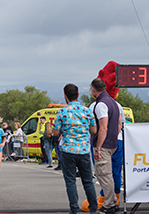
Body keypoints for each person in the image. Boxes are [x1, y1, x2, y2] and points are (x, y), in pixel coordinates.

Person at [53, 83, 98, 214]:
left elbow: (55, 133)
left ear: (65, 96)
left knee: (70, 182)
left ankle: (74, 209)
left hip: (68, 151)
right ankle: (94, 209)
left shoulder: (62, 112)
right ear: (78, 95)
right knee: (88, 182)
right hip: (83, 150)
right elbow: (94, 130)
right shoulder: (87, 111)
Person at [89, 78, 121, 214]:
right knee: (109, 174)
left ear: (93, 89)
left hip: (104, 145)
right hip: (113, 143)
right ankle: (113, 201)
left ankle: (109, 204)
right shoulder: (114, 102)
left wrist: (98, 147)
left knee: (104, 175)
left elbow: (103, 128)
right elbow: (119, 123)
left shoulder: (101, 104)